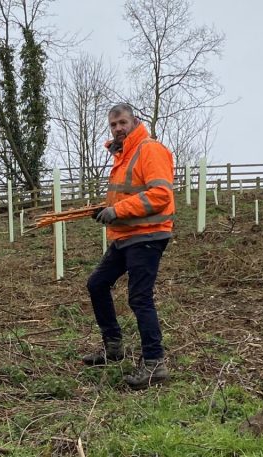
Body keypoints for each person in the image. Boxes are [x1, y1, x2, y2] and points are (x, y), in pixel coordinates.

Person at [82, 103, 175, 389]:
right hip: (126, 236)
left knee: (139, 297)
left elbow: (160, 194)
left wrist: (118, 211)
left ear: (135, 121)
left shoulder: (149, 149)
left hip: (148, 235)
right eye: (113, 125)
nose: (118, 128)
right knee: (97, 284)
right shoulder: (123, 155)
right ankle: (113, 347)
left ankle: (155, 363)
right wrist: (105, 210)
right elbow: (125, 196)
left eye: (122, 122)